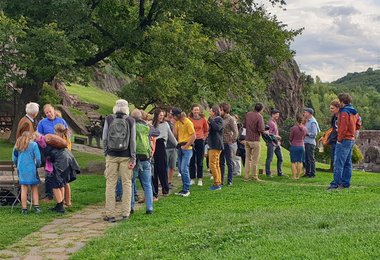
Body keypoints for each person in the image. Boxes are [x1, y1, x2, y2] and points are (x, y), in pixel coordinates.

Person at [102, 99, 136, 222]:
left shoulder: (109, 119)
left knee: (110, 184)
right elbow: (132, 141)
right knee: (126, 184)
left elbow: (105, 137)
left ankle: (110, 214)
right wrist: (133, 157)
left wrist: (105, 152)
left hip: (111, 155)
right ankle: (125, 213)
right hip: (126, 156)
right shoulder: (130, 120)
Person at [328, 93, 361, 190]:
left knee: (338, 162)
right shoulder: (354, 111)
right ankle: (345, 183)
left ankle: (335, 184)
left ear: (342, 102)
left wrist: (339, 139)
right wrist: (353, 131)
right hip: (351, 139)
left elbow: (343, 128)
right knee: (347, 163)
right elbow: (358, 124)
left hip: (344, 139)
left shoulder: (344, 112)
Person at [37, 104, 69, 201]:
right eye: (46, 113)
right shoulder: (42, 122)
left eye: (50, 111)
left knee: (61, 174)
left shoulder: (61, 121)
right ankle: (49, 195)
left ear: (54, 111)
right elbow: (39, 136)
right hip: (48, 150)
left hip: (60, 150)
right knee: (49, 173)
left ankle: (64, 199)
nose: (48, 114)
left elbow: (67, 135)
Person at [130, 109, 154, 214]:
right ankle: (149, 208)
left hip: (134, 158)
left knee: (131, 183)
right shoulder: (147, 127)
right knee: (147, 184)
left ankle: (131, 207)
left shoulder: (131, 127)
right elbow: (156, 132)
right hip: (145, 157)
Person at [12, 132, 41, 214]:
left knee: (23, 189)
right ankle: (36, 207)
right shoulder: (34, 144)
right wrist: (37, 166)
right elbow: (38, 158)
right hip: (31, 168)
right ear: (30, 137)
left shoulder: (17, 144)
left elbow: (14, 158)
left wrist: (17, 164)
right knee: (34, 188)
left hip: (21, 168)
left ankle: (24, 209)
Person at [152, 109, 177, 198]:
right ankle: (154, 192)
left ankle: (165, 189)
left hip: (162, 146)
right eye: (160, 115)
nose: (161, 117)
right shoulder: (152, 124)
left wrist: (177, 145)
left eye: (162, 115)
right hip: (153, 145)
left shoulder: (166, 124)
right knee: (154, 170)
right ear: (156, 115)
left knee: (162, 169)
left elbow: (171, 136)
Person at [172, 107, 196, 197]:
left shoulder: (188, 122)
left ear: (178, 115)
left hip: (187, 149)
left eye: (174, 115)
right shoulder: (177, 122)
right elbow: (175, 135)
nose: (173, 117)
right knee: (181, 170)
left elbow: (193, 136)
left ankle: (187, 190)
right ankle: (184, 188)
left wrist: (186, 146)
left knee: (184, 169)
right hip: (180, 148)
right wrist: (174, 125)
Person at [243, 102, 267, 181]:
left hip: (247, 139)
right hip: (255, 140)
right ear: (261, 109)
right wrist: (265, 132)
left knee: (247, 159)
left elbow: (245, 125)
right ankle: (254, 176)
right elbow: (261, 129)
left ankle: (246, 176)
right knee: (255, 160)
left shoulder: (248, 114)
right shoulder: (259, 116)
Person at [54, 124, 74, 207]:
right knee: (66, 182)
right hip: (68, 161)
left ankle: (62, 202)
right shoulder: (67, 138)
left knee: (62, 183)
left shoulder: (59, 140)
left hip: (62, 162)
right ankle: (68, 201)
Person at [189, 104, 209, 186]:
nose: (196, 111)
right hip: (191, 140)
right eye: (194, 110)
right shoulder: (189, 119)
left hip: (200, 140)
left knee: (200, 160)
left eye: (197, 110)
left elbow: (206, 130)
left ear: (199, 111)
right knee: (192, 160)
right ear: (192, 111)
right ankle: (192, 178)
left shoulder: (203, 119)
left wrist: (204, 137)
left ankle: (200, 178)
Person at [219, 103, 238, 186]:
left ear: (225, 110)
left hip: (227, 143)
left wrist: (232, 140)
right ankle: (221, 180)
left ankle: (230, 180)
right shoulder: (219, 118)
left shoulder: (230, 119)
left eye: (221, 109)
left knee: (229, 162)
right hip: (220, 143)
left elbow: (235, 131)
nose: (219, 111)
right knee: (221, 162)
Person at [319, 99, 340, 170]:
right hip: (334, 142)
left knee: (338, 162)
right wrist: (324, 136)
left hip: (339, 142)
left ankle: (340, 180)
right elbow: (332, 129)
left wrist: (328, 141)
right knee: (335, 161)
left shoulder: (341, 117)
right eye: (330, 108)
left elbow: (337, 132)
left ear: (338, 108)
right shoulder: (334, 117)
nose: (330, 110)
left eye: (332, 108)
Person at [207, 105, 224, 190]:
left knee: (212, 164)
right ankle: (218, 182)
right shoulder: (214, 120)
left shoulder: (219, 119)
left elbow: (217, 128)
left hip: (216, 145)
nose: (209, 113)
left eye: (210, 111)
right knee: (216, 164)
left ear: (214, 112)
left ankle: (216, 183)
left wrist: (210, 120)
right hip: (213, 144)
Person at [265, 109, 283, 177]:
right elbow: (267, 133)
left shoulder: (274, 122)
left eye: (278, 115)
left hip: (277, 143)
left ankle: (280, 172)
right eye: (276, 114)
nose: (278, 116)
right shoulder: (270, 123)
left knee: (280, 158)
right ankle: (268, 173)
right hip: (271, 143)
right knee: (270, 158)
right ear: (272, 114)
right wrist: (277, 136)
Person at [303, 108, 320, 178]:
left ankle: (312, 173)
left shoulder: (313, 122)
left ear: (309, 113)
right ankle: (307, 173)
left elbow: (314, 134)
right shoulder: (307, 121)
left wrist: (306, 134)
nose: (304, 113)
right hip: (306, 142)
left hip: (310, 143)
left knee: (311, 158)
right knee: (306, 158)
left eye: (305, 112)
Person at [164, 110, 177, 188]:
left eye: (172, 113)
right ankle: (163, 181)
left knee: (172, 165)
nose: (170, 114)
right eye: (169, 112)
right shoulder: (163, 122)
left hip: (173, 146)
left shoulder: (174, 122)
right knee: (165, 165)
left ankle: (169, 181)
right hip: (166, 147)